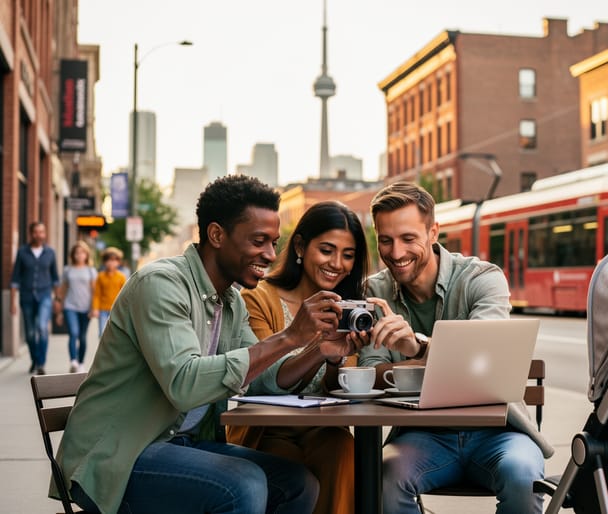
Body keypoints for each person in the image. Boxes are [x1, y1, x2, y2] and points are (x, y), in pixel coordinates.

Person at [53, 175, 359, 514]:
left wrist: (318, 351)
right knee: (243, 485)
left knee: (297, 484)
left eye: (274, 242)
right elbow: (184, 384)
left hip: (185, 445)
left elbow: (263, 380)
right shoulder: (160, 285)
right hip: (119, 455)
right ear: (217, 235)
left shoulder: (231, 301)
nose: (271, 255)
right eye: (260, 241)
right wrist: (289, 337)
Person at [354, 182, 553, 514]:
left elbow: (483, 357)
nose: (396, 253)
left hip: (499, 432)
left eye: (408, 238)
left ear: (433, 232)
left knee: (522, 477)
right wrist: (441, 360)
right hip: (423, 436)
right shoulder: (375, 290)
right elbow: (371, 374)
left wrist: (414, 348)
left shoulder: (482, 278)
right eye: (385, 240)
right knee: (384, 477)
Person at [228, 200, 369, 514]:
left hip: (324, 430)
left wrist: (336, 359)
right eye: (327, 250)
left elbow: (339, 391)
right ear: (301, 247)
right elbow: (262, 381)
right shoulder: (258, 297)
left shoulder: (349, 308)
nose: (337, 263)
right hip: (267, 431)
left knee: (345, 450)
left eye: (348, 255)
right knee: (289, 467)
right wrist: (316, 349)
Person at [10, 221, 60, 375]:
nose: (39, 235)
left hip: (45, 295)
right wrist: (12, 301)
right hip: (26, 296)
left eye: (42, 232)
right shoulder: (22, 252)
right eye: (36, 232)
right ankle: (35, 359)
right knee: (30, 333)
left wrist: (57, 300)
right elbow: (15, 278)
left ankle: (41, 363)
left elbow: (55, 278)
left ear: (45, 234)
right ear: (31, 233)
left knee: (42, 328)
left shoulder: (50, 252)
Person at [56, 241, 97, 373]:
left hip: (86, 308)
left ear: (86, 255)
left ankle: (81, 362)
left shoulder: (91, 271)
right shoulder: (68, 270)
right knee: (73, 333)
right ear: (73, 254)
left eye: (82, 252)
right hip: (70, 306)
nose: (79, 255)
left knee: (83, 336)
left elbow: (94, 291)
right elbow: (63, 289)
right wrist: (59, 310)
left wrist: (93, 308)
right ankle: (73, 360)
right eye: (77, 252)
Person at [91, 246, 127, 337]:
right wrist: (95, 308)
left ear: (118, 262)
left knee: (115, 335)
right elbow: (97, 294)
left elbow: (124, 295)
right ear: (104, 262)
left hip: (116, 310)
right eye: (108, 260)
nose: (111, 263)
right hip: (103, 309)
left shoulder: (121, 277)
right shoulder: (100, 276)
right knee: (102, 334)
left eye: (114, 260)